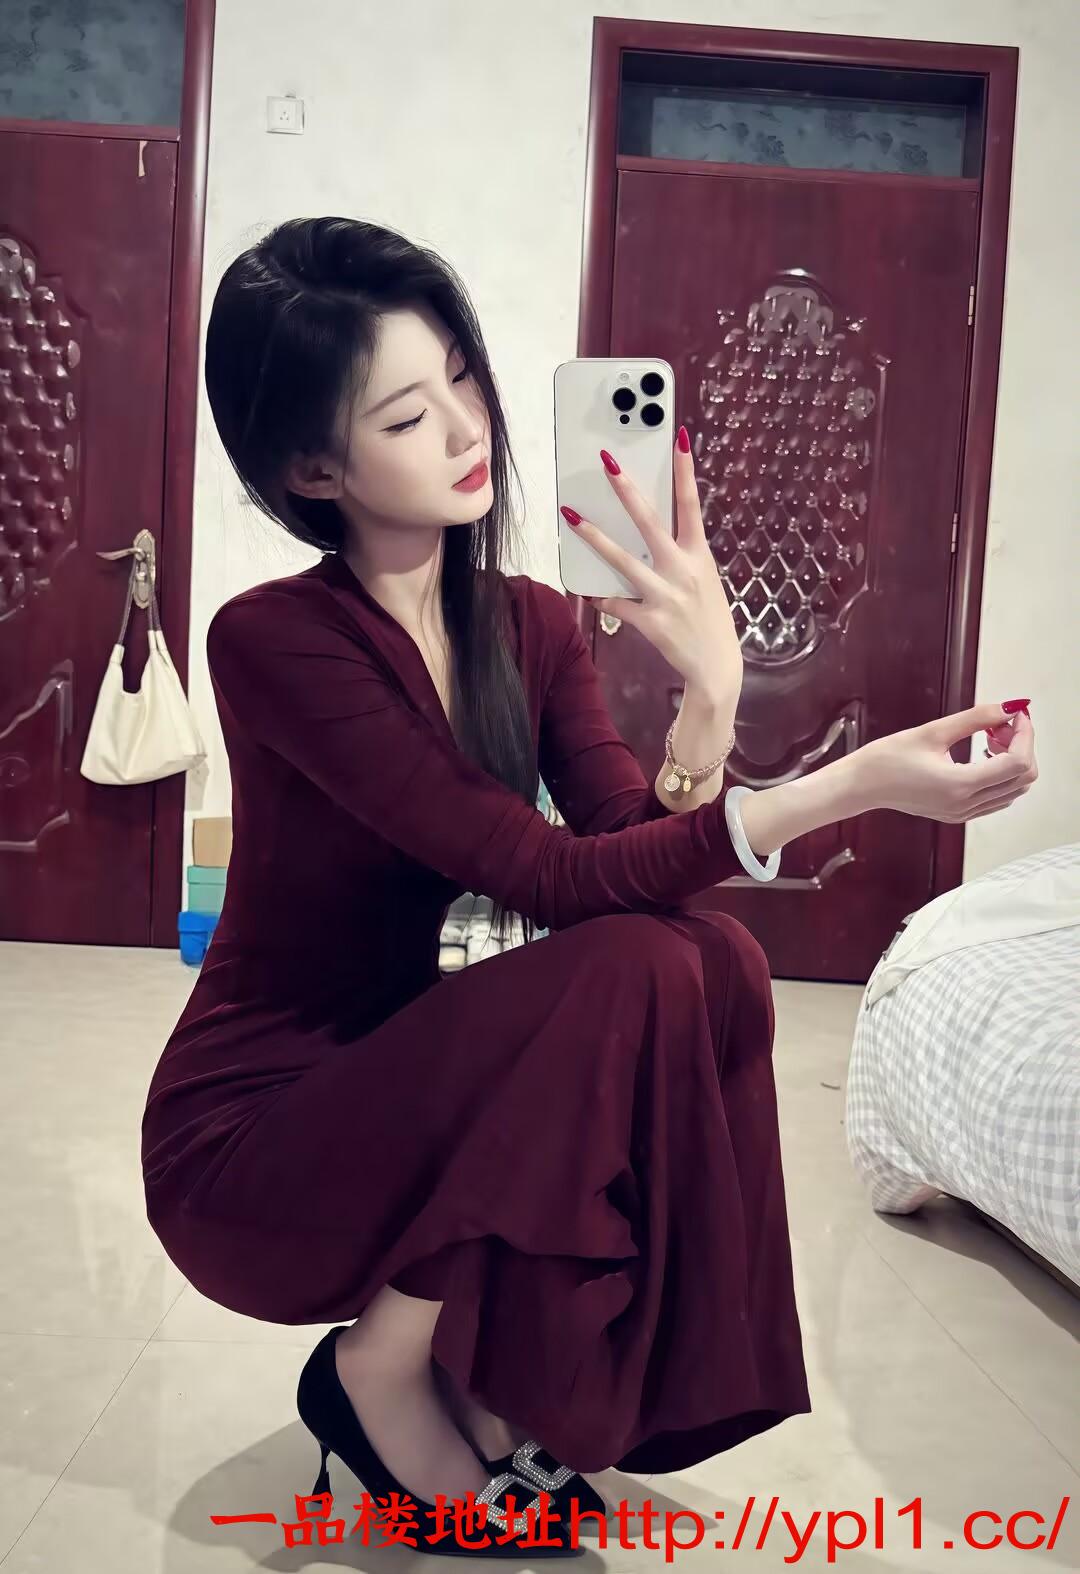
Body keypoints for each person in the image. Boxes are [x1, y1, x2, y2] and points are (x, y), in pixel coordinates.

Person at [140, 217, 1038, 1557]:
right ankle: (382, 1366)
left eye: (462, 375)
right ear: (313, 469)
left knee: (707, 962)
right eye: (408, 414)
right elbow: (551, 875)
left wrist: (714, 696)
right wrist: (850, 785)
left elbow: (631, 855)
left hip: (419, 1091)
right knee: (629, 964)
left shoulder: (532, 623)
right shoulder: (275, 641)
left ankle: (497, 1378)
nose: (467, 427)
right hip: (258, 1139)